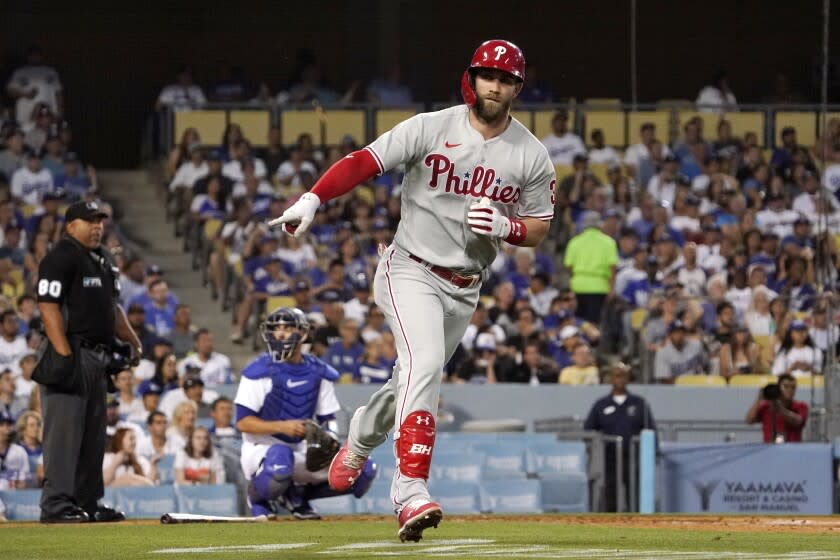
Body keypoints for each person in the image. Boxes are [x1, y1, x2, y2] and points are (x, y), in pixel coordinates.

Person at [269, 40, 554, 541]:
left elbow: (538, 226)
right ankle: (409, 490)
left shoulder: (532, 154)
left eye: (506, 79)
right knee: (424, 367)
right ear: (472, 77)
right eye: (488, 74)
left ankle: (358, 439)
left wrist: (508, 228)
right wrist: (314, 198)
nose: (495, 84)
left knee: (410, 378)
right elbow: (365, 160)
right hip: (409, 269)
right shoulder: (431, 126)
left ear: (517, 88)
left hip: (465, 286)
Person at [34, 200, 141, 523]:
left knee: (94, 436)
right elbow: (48, 306)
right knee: (64, 434)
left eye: (100, 220)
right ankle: (56, 505)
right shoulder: (61, 257)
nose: (97, 226)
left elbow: (113, 308)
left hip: (98, 357)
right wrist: (64, 354)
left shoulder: (104, 260)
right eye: (89, 220)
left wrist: (132, 341)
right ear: (70, 226)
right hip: (68, 351)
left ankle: (88, 502)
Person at [234, 307, 376, 520]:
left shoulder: (319, 371)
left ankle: (298, 496)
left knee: (364, 468)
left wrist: (329, 440)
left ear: (302, 333)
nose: (280, 334)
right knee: (281, 458)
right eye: (276, 329)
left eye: (287, 327)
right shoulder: (258, 370)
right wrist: (282, 427)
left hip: (303, 448)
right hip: (262, 447)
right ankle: (258, 498)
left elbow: (328, 419)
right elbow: (243, 422)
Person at [584, 362, 656, 511]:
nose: (620, 380)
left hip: (634, 458)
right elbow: (588, 429)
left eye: (623, 376)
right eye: (616, 376)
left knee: (635, 493)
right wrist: (590, 448)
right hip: (610, 458)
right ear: (610, 379)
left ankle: (637, 524)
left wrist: (653, 453)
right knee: (611, 493)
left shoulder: (639, 403)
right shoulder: (601, 404)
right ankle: (611, 525)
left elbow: (650, 429)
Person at [563, 211, 618, 325]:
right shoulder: (609, 242)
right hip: (599, 287)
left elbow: (569, 266)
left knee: (578, 321)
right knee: (594, 322)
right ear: (599, 224)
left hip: (578, 286)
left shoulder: (574, 242)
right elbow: (612, 268)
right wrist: (611, 289)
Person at [745, 373, 808, 443]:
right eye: (786, 387)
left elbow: (798, 421)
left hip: (792, 449)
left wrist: (780, 409)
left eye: (793, 387)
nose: (790, 390)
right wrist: (759, 399)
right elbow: (749, 420)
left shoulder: (801, 406)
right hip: (770, 449)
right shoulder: (766, 407)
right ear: (778, 388)